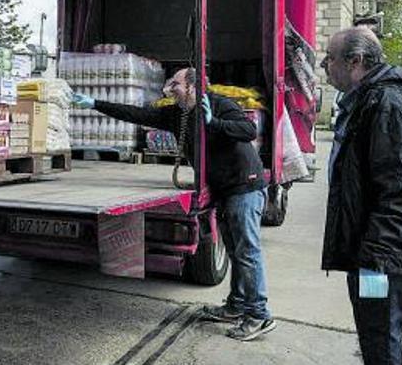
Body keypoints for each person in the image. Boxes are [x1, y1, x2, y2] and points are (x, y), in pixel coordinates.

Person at [72, 67, 275, 341]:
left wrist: (214, 122)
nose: (171, 88)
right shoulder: (177, 114)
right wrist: (95, 103)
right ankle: (237, 306)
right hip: (224, 189)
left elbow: (248, 130)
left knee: (247, 251)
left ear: (192, 86)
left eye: (176, 84)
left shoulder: (218, 103)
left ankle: (259, 315)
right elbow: (137, 114)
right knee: (235, 250)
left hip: (244, 186)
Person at [321, 26, 402, 365]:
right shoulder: (369, 99)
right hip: (381, 253)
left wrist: (374, 261)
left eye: (330, 59)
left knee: (380, 337)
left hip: (386, 259)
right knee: (374, 332)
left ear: (356, 61)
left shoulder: (386, 104)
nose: (325, 66)